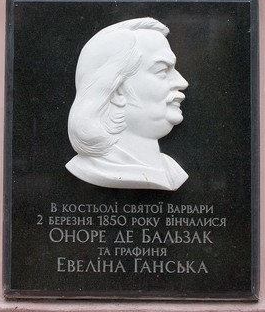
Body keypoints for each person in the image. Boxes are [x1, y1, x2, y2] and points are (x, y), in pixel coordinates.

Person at [66, 17, 189, 190]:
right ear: (116, 90)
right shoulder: (96, 169)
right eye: (162, 70)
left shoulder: (171, 171)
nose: (182, 82)